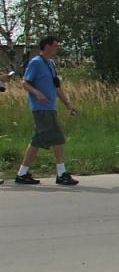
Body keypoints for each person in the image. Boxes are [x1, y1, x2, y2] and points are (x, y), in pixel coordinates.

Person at [15, 36, 79, 186]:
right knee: (58, 139)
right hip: (41, 108)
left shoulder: (50, 64)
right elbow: (25, 82)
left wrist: (68, 104)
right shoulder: (36, 63)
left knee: (37, 140)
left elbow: (57, 86)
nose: (57, 48)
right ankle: (61, 174)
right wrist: (37, 93)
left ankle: (22, 174)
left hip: (50, 108)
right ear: (46, 47)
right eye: (55, 46)